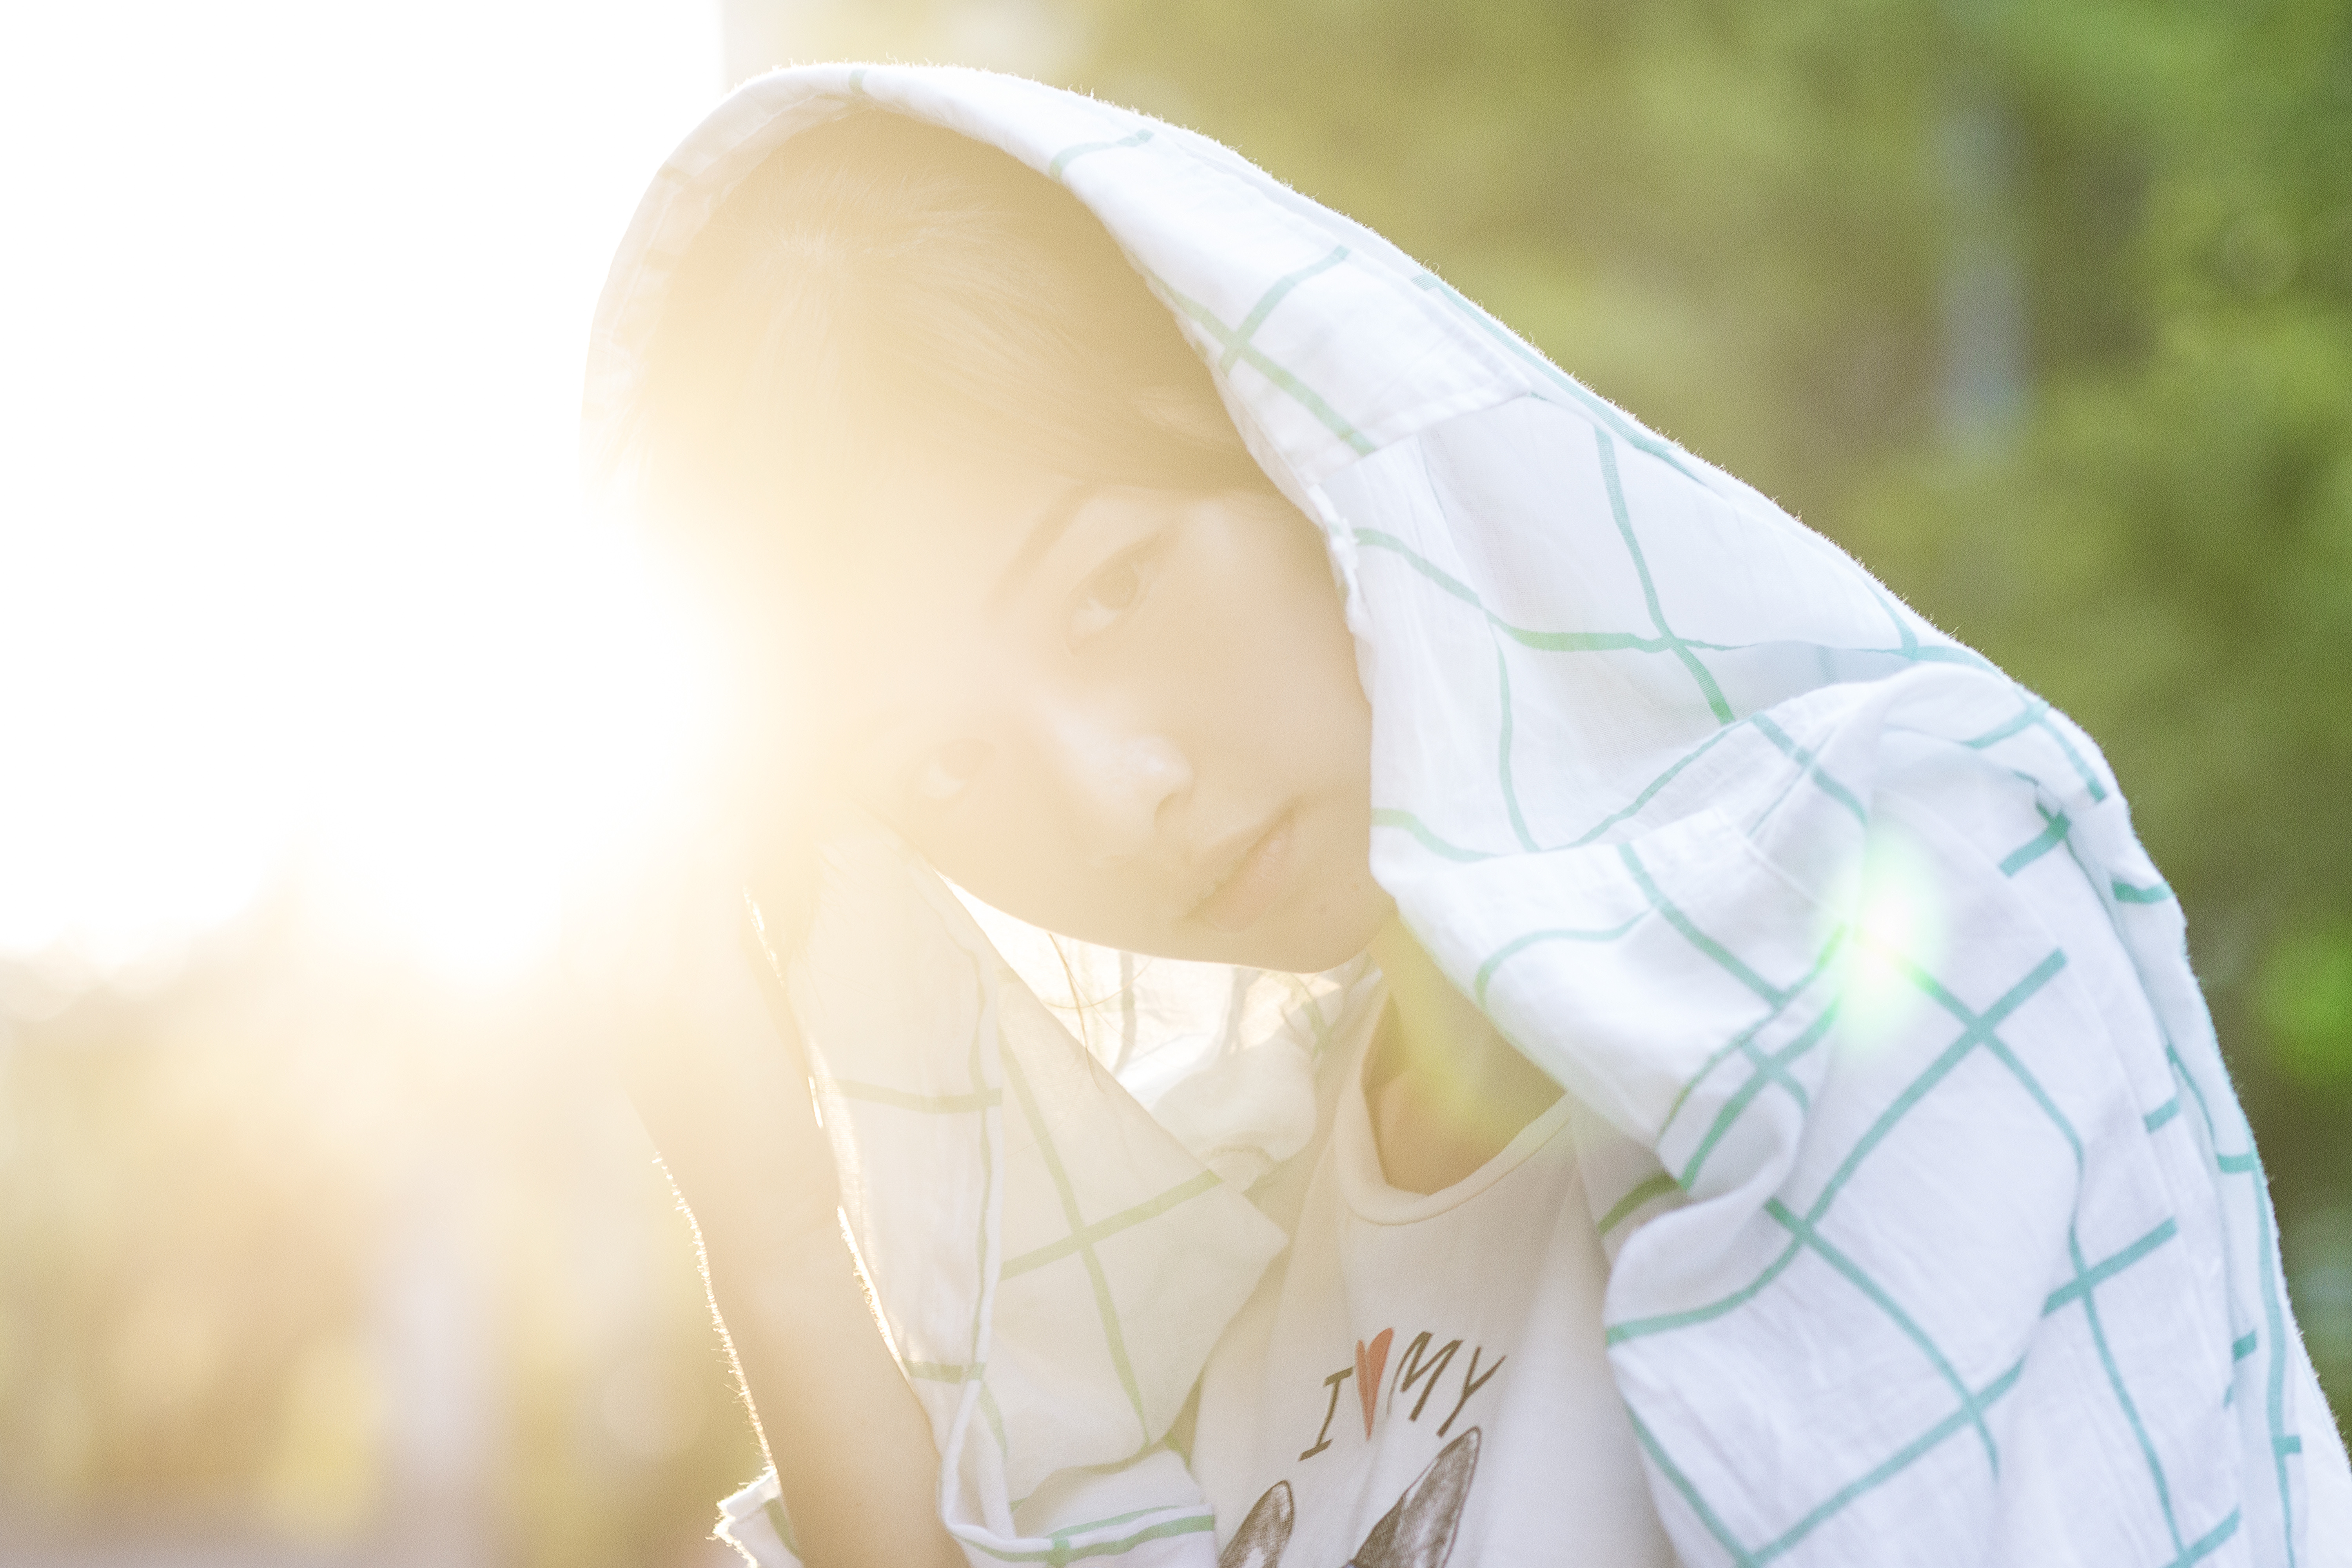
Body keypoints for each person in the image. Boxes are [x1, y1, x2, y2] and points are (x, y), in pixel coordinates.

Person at [581, 66, 2352, 1568]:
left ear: (1296, 439)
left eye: (1112, 586)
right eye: (944, 767)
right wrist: (773, 1234)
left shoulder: (1877, 895)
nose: (1118, 794)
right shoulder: (1239, 1237)